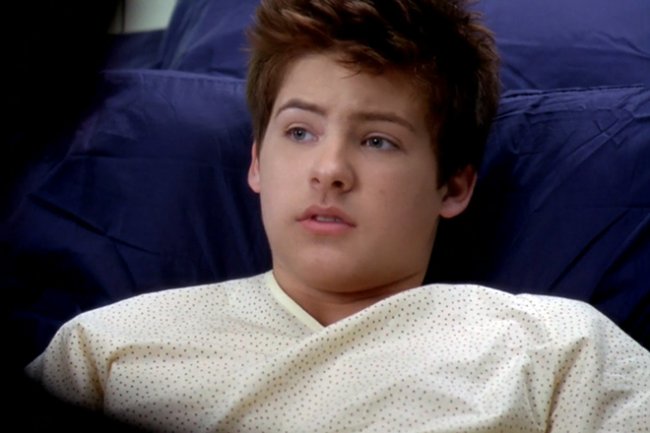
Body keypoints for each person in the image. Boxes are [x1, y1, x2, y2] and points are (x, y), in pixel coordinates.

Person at [26, 0, 650, 432]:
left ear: (454, 185)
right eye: (299, 132)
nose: (329, 170)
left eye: (378, 140)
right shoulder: (106, 350)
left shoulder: (557, 350)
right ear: (257, 163)